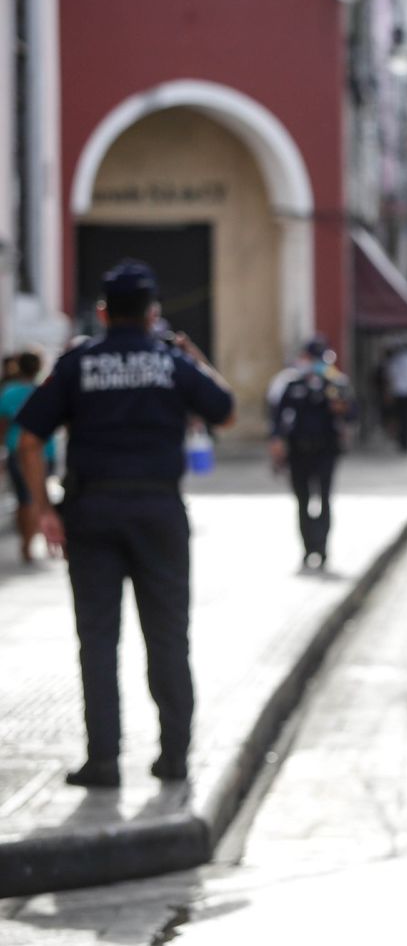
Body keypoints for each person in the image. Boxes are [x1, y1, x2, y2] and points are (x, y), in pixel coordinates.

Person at [12, 260, 235, 788]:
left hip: (91, 514)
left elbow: (25, 440)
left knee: (97, 639)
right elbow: (224, 411)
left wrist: (44, 507)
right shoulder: (170, 363)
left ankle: (104, 761)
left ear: (105, 312)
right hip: (159, 513)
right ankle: (174, 756)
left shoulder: (77, 364)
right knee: (167, 638)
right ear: (153, 313)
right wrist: (193, 357)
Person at [269, 337, 352, 571]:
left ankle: (323, 549)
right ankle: (308, 549)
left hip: (326, 451)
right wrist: (276, 443)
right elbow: (277, 418)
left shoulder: (335, 384)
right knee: (302, 501)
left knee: (324, 500)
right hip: (298, 452)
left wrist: (341, 408)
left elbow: (351, 414)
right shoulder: (292, 384)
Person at [0, 351, 57, 562]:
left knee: (24, 499)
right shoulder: (44, 390)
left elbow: (2, 425)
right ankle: (31, 540)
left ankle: (27, 542)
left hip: (17, 450)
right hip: (45, 451)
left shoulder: (9, 392)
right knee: (36, 497)